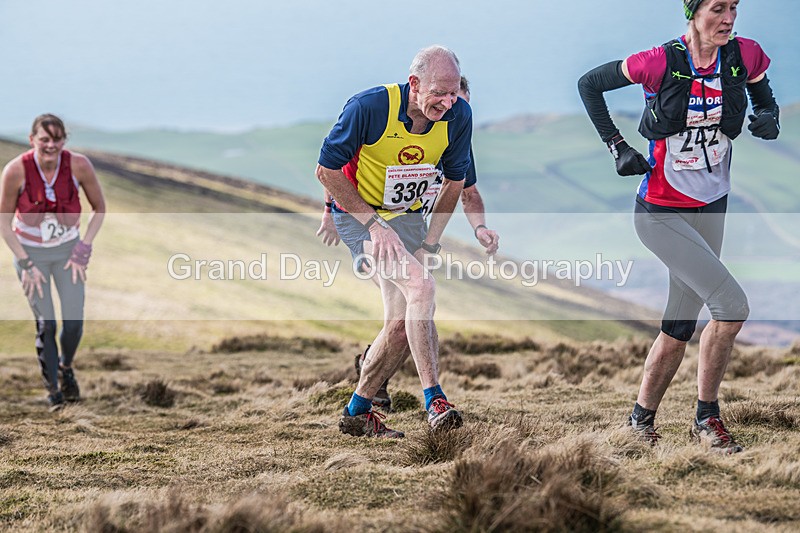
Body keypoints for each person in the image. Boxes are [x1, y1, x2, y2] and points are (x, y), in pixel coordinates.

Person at [578, 0, 779, 453]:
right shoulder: (658, 61)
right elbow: (589, 84)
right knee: (732, 307)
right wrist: (617, 146)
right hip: (661, 212)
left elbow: (764, 92)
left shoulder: (744, 55)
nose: (728, 17)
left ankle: (640, 421)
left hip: (713, 206)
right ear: (692, 12)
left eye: (734, 7)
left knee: (678, 325)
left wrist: (770, 117)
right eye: (717, 8)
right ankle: (707, 419)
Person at [316, 45, 472, 437]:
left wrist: (431, 242)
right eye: (439, 93)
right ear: (414, 83)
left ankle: (357, 411)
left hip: (408, 220)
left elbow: (455, 182)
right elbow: (326, 170)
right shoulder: (368, 107)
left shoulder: (458, 116)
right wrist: (372, 225)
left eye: (454, 93)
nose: (448, 102)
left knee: (402, 324)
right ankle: (435, 401)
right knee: (422, 287)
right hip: (358, 216)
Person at [0, 114, 106, 410]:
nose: (50, 146)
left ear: (64, 140)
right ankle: (54, 392)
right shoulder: (15, 171)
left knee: (73, 323)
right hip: (30, 255)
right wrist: (25, 264)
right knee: (46, 323)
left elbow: (100, 208)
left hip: (68, 254)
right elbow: (4, 224)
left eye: (57, 139)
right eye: (44, 139)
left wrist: (84, 247)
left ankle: (66, 367)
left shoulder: (79, 165)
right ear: (32, 139)